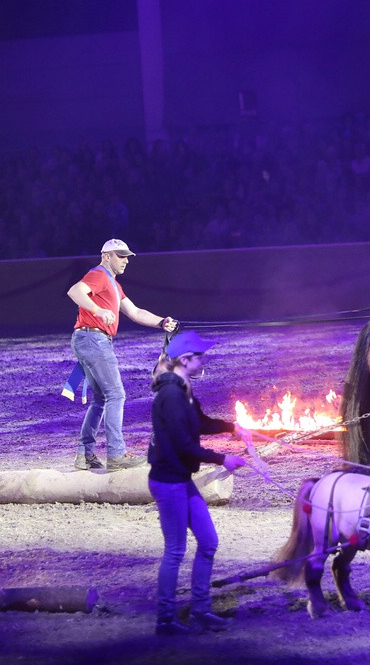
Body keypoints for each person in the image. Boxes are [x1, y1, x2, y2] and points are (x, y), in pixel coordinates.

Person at [148, 330, 249, 635]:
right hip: (169, 482)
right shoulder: (172, 396)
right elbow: (185, 446)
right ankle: (165, 620)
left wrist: (233, 427)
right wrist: (223, 460)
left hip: (180, 479)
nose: (204, 359)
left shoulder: (184, 389)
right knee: (176, 550)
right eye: (200, 355)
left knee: (208, 542)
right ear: (185, 359)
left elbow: (201, 422)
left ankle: (201, 610)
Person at [67, 238, 178, 472]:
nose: (126, 260)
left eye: (127, 256)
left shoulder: (114, 285)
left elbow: (135, 312)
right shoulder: (99, 275)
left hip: (88, 339)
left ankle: (85, 455)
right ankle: (116, 455)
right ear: (106, 256)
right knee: (116, 395)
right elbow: (75, 291)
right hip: (94, 339)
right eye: (121, 255)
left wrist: (161, 322)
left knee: (100, 399)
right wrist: (97, 310)